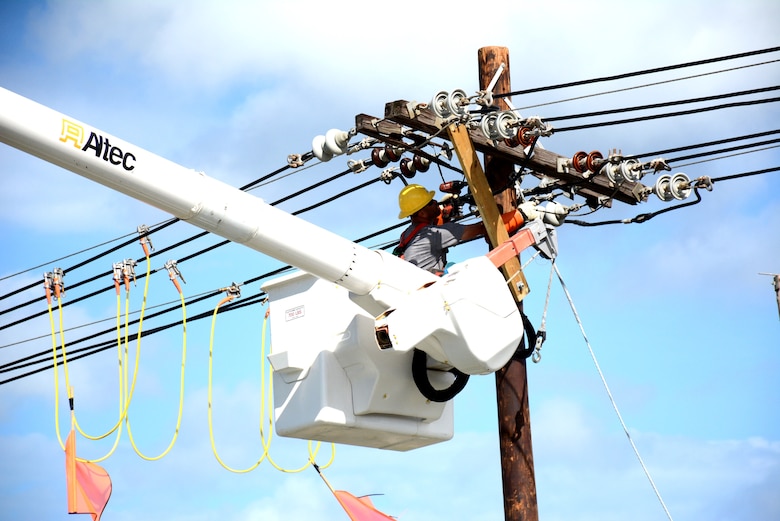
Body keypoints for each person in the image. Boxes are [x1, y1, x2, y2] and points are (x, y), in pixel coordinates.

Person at [394, 184, 539, 274]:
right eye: (430, 203)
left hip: (414, 289)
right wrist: (521, 215)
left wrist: (444, 214)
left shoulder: (409, 234)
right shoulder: (433, 235)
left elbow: (435, 229)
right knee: (459, 272)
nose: (435, 202)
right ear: (422, 213)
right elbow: (482, 228)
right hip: (431, 293)